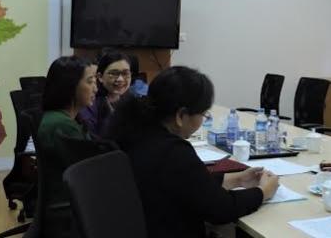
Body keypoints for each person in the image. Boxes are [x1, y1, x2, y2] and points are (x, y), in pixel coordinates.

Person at [108, 66, 279, 238]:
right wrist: (263, 192)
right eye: (203, 114)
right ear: (181, 116)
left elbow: (189, 184)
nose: (202, 120)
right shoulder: (173, 152)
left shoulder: (138, 132)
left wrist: (238, 179)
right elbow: (220, 209)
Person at [36, 55, 97, 236]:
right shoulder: (61, 126)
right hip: (68, 209)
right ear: (70, 87)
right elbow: (89, 176)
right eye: (90, 81)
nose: (95, 88)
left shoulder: (62, 119)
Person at [79, 50, 132, 136]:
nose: (120, 79)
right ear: (100, 77)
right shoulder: (89, 104)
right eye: (114, 73)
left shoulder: (132, 101)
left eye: (126, 73)